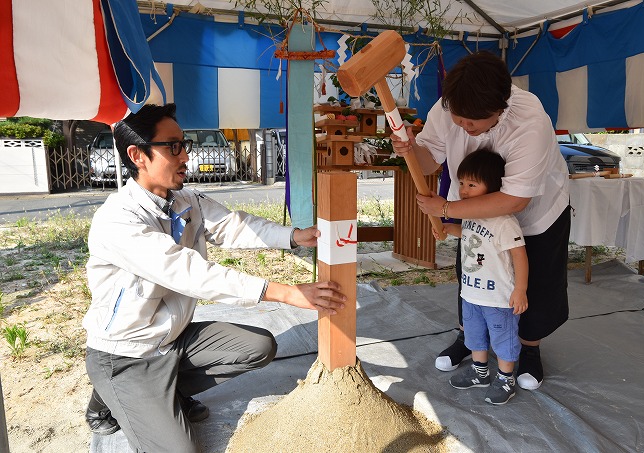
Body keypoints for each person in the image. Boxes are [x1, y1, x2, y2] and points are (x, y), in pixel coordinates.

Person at [82, 103, 347, 452]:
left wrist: (294, 237)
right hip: (128, 355)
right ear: (137, 155)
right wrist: (283, 292)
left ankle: (170, 391)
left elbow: (233, 226)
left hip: (173, 340)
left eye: (184, 144)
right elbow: (189, 272)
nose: (185, 156)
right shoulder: (118, 220)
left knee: (259, 347)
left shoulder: (184, 200)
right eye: (172, 146)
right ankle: (109, 396)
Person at [392, 51, 570, 391]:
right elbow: (428, 160)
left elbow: (515, 199)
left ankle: (529, 348)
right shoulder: (450, 105)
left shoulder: (530, 121)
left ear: (499, 108)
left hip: (535, 214)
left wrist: (445, 209)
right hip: (473, 212)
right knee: (473, 273)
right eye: (458, 119)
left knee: (533, 283)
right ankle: (469, 339)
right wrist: (409, 149)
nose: (463, 127)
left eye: (472, 123)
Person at [434, 149, 528, 405]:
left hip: (499, 297)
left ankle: (506, 377)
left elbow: (519, 256)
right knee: (474, 335)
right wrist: (446, 228)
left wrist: (520, 289)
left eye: (472, 184)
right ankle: (480, 372)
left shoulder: (504, 221)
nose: (463, 190)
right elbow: (466, 233)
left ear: (494, 187)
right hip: (471, 293)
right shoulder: (470, 214)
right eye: (462, 183)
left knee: (503, 338)